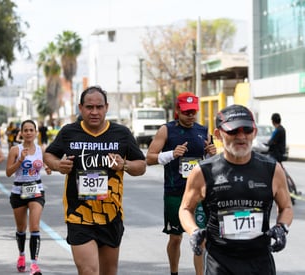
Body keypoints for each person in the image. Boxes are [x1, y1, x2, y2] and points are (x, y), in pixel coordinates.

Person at [179, 104, 293, 275]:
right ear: (218, 134)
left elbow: (286, 207)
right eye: (233, 131)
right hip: (220, 262)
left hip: (259, 262)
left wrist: (282, 227)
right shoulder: (203, 171)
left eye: (247, 130)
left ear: (254, 132)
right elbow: (186, 209)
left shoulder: (272, 169)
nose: (241, 137)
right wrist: (193, 231)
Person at [44, 85, 146, 275]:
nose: (94, 112)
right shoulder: (69, 132)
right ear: (81, 108)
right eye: (89, 107)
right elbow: (49, 155)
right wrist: (58, 165)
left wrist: (123, 165)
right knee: (88, 271)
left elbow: (141, 165)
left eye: (99, 107)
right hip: (78, 214)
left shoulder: (121, 134)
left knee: (108, 272)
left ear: (106, 107)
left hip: (111, 215)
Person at [146, 92, 216, 275]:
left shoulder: (203, 131)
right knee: (176, 238)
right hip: (175, 192)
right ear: (178, 110)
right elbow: (149, 158)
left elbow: (210, 164)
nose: (191, 115)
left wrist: (212, 154)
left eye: (194, 111)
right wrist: (171, 154)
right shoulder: (166, 130)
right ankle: (174, 272)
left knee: (201, 238)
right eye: (186, 112)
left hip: (198, 193)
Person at [6, 120, 52, 274]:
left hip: (36, 190)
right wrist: (20, 160)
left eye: (31, 130)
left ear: (36, 132)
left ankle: (34, 264)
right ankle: (21, 255)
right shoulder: (15, 149)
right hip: (19, 191)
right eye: (25, 130)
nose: (28, 133)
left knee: (34, 227)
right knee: (21, 228)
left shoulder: (41, 149)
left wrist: (47, 167)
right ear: (21, 133)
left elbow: (45, 164)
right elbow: (8, 172)